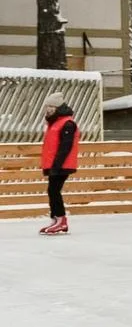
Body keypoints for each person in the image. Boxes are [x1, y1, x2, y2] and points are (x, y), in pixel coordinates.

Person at [38, 92, 79, 236]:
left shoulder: (67, 123)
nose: (48, 109)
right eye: (47, 106)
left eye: (51, 106)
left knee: (54, 191)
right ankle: (56, 219)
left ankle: (61, 221)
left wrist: (57, 165)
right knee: (52, 191)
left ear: (58, 107)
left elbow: (65, 147)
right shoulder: (54, 123)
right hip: (55, 164)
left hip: (62, 165)